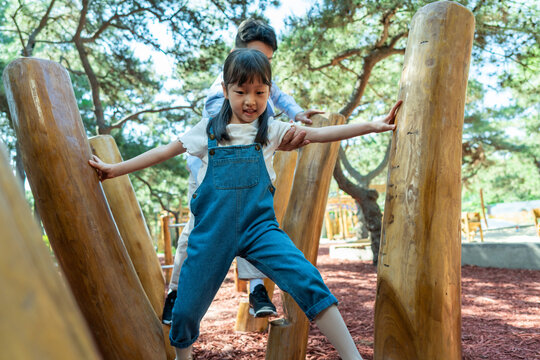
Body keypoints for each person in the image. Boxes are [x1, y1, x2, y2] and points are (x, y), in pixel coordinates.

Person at [89, 48, 401, 360]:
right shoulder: (209, 130)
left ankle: (354, 357)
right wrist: (116, 169)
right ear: (225, 90)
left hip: (260, 230)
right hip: (211, 234)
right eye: (241, 92)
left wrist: (373, 125)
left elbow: (322, 134)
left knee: (307, 280)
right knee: (184, 312)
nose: (250, 101)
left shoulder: (271, 131)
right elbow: (163, 151)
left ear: (268, 92)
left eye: (259, 92)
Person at [163, 17, 323, 324]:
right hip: (210, 176)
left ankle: (257, 289)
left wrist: (297, 115)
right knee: (194, 231)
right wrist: (269, 127)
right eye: (257, 55)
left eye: (268, 60)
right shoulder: (223, 90)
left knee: (254, 224)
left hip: (248, 176)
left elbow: (278, 95)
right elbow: (225, 123)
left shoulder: (260, 82)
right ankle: (175, 293)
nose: (262, 63)